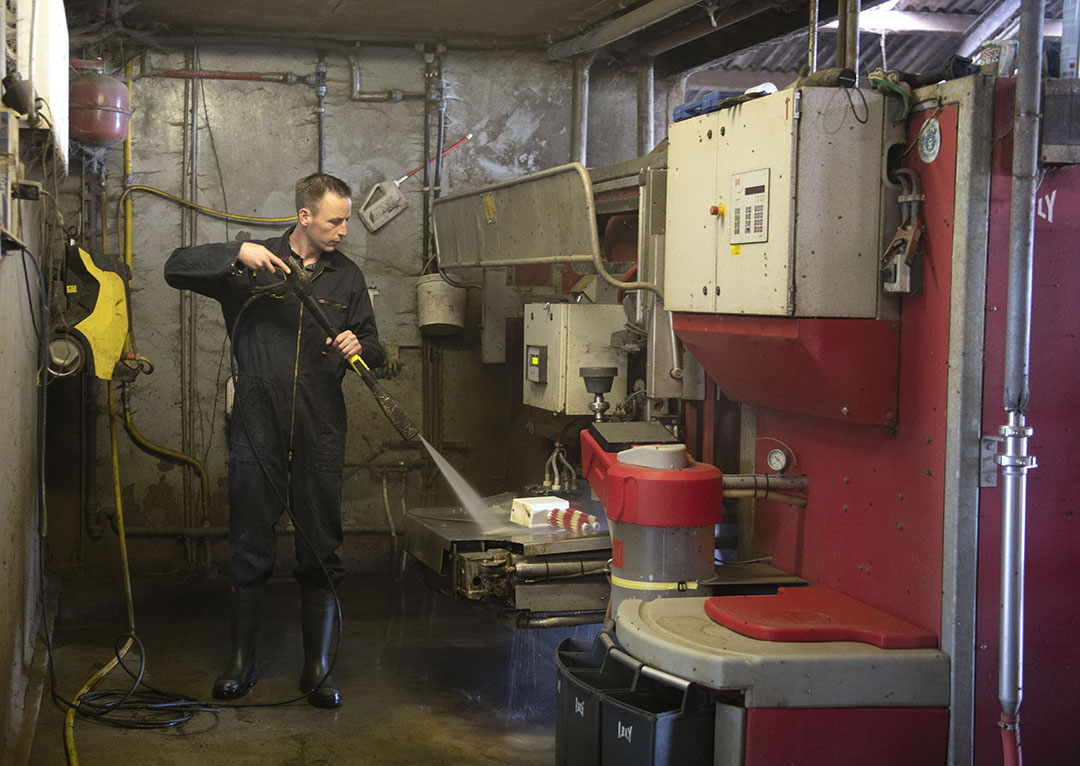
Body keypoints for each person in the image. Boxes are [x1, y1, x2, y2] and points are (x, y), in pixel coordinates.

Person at [164, 173, 384, 709]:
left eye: (346, 219)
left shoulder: (346, 276)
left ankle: (317, 668)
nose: (344, 230)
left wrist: (363, 344)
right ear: (304, 216)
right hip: (257, 421)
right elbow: (174, 267)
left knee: (321, 544)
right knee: (249, 541)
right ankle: (242, 663)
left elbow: (376, 351)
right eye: (336, 220)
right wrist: (235, 251)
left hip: (320, 422)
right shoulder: (250, 265)